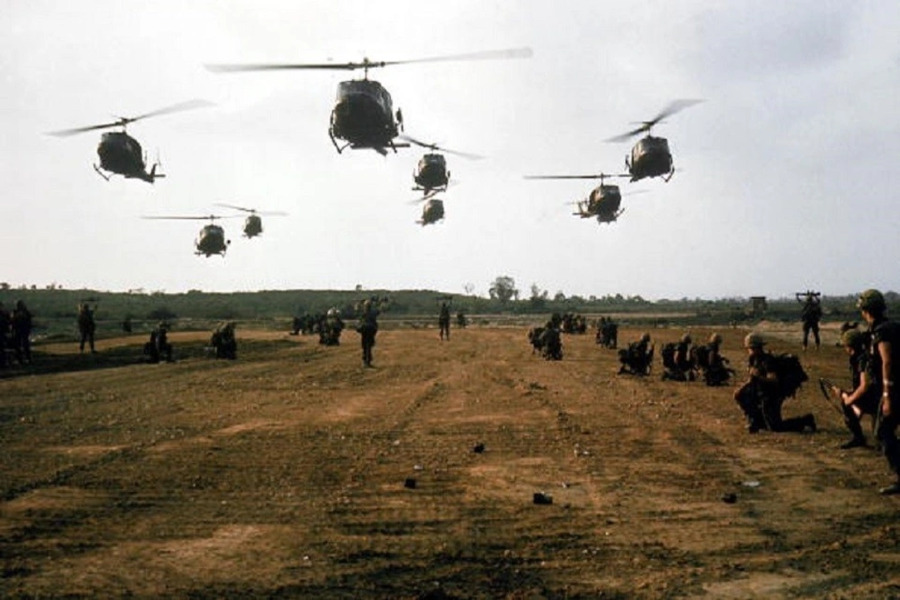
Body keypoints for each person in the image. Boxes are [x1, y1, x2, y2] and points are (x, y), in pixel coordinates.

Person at [856, 289, 900, 494]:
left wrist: (887, 395)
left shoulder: (882, 332)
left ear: (866, 310)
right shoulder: (891, 327)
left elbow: (887, 361)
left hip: (895, 389)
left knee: (882, 432)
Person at [733, 332, 816, 434]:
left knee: (775, 427)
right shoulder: (753, 359)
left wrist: (758, 376)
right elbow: (751, 379)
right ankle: (755, 421)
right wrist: (741, 390)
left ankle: (805, 420)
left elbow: (773, 380)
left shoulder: (767, 361)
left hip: (772, 395)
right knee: (741, 396)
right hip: (760, 393)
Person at [831, 329, 878, 449]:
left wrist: (848, 398)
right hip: (872, 394)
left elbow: (865, 385)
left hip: (874, 396)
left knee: (846, 402)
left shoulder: (862, 360)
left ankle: (859, 437)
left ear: (849, 346)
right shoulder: (859, 358)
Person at [356, 299, 379, 367]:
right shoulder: (373, 312)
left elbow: (357, 311)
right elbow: (378, 312)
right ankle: (367, 361)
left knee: (365, 346)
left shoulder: (362, 312)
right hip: (371, 330)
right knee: (369, 346)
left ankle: (365, 361)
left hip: (364, 331)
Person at [11, 300, 32, 365]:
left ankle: (22, 358)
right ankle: (25, 358)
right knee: (23, 345)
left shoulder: (17, 313)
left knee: (20, 345)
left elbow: (13, 321)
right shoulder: (25, 312)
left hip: (20, 330)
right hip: (23, 330)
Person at [0, 302, 10, 368]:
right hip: (2, 332)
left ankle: (3, 362)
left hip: (2, 332)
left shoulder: (3, 314)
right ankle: (3, 362)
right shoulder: (4, 314)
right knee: (2, 348)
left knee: (2, 348)